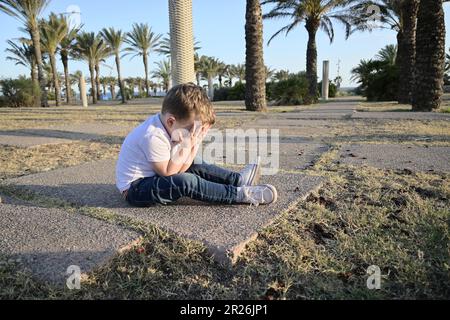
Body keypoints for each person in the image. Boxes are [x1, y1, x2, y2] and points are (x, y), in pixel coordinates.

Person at [115, 83, 278, 207]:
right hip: (136, 189)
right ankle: (239, 194)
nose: (193, 134)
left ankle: (237, 180)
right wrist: (188, 144)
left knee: (195, 161)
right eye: (190, 130)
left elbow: (184, 165)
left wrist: (195, 142)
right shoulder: (152, 136)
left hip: (155, 176)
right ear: (171, 121)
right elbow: (169, 174)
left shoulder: (171, 127)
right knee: (185, 181)